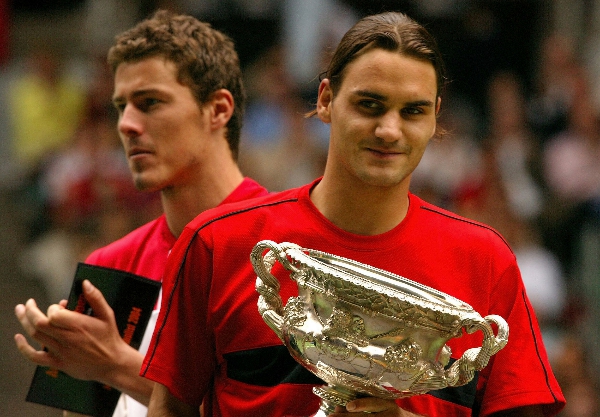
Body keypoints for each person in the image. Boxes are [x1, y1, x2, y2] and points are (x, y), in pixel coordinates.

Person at [141, 11, 566, 417]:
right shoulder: (219, 244)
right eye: (370, 105)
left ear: (435, 117)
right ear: (326, 100)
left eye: (412, 111)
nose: (389, 130)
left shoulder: (485, 261)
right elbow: (170, 408)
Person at [13, 10, 267, 417]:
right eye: (121, 107)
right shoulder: (107, 267)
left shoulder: (286, 248)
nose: (126, 125)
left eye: (150, 103)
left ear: (218, 110)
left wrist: (118, 365)